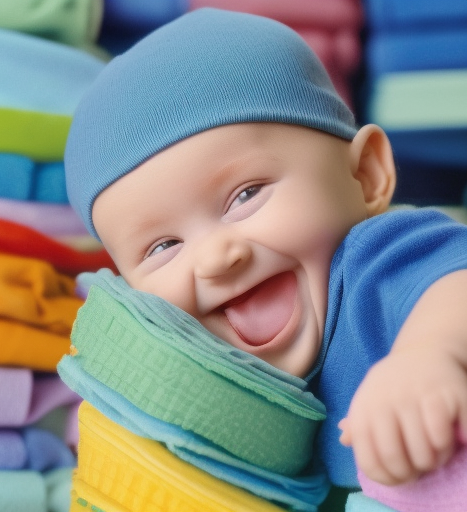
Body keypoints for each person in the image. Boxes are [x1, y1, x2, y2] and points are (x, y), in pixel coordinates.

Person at [64, 7, 467, 494]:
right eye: (163, 246)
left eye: (245, 195)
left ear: (365, 175)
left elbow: (452, 279)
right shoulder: (216, 380)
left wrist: (429, 356)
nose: (216, 257)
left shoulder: (373, 266)